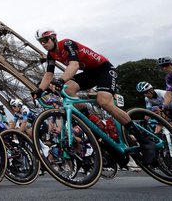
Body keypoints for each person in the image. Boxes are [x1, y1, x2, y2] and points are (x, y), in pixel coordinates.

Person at [31, 28, 156, 164]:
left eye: (45, 40)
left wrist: (61, 81)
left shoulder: (66, 44)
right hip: (89, 73)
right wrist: (38, 90)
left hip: (104, 69)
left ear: (54, 38)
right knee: (68, 90)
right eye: (40, 41)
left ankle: (145, 141)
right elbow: (48, 75)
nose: (43, 43)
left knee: (103, 101)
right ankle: (90, 119)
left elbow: (74, 65)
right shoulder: (51, 55)